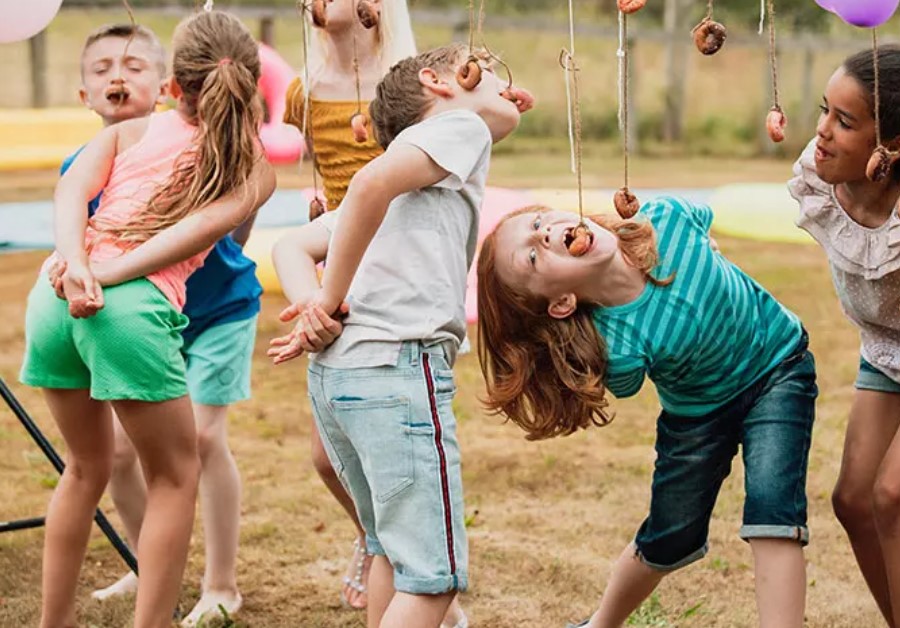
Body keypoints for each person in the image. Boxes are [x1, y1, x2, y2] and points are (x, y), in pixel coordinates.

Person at [19, 11, 275, 627]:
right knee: (175, 477)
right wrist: (102, 274)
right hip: (122, 309)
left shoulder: (128, 133)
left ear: (169, 87)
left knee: (83, 468)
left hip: (52, 296)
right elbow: (196, 234)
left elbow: (69, 194)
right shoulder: (254, 170)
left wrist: (77, 262)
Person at [270, 43, 527, 627]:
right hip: (398, 372)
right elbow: (364, 187)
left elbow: (291, 245)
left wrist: (309, 305)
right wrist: (326, 301)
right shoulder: (458, 129)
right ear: (438, 83)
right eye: (484, 66)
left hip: (340, 379)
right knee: (433, 581)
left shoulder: (419, 175)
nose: (498, 78)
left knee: (390, 546)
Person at [476, 198, 818, 628]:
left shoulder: (667, 219)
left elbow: (702, 221)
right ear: (562, 303)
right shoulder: (616, 350)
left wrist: (706, 249)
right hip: (697, 417)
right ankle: (602, 623)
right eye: (530, 255)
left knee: (774, 511)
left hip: (778, 366)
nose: (542, 234)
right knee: (670, 535)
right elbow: (627, 381)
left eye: (539, 221)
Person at [789, 44, 900, 628]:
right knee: (853, 501)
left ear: (897, 145)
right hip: (886, 342)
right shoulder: (822, 171)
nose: (823, 132)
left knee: (895, 494)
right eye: (825, 110)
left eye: (844, 121)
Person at [282, 0, 416, 609]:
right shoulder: (300, 93)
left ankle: (413, 567)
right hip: (338, 262)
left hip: (398, 265)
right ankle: (371, 535)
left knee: (393, 440)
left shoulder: (405, 84)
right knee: (326, 452)